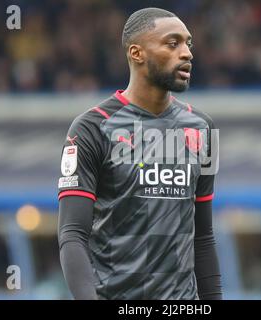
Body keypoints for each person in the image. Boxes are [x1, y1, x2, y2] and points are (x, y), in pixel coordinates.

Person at [57, 7, 222, 300]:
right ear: (137, 53)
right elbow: (72, 235)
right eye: (173, 44)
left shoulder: (202, 128)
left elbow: (203, 237)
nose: (186, 53)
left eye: (188, 44)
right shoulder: (92, 128)